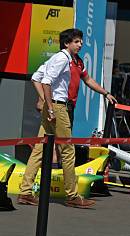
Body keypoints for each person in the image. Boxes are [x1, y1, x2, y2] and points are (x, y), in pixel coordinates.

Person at [18, 28, 98, 208]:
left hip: (56, 106)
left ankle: (25, 191)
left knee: (39, 149)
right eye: (76, 41)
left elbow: (37, 77)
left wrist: (45, 102)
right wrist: (50, 105)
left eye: (80, 41)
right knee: (68, 151)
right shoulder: (62, 59)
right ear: (66, 43)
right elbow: (44, 81)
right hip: (59, 107)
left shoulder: (63, 59)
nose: (80, 44)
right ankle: (72, 195)